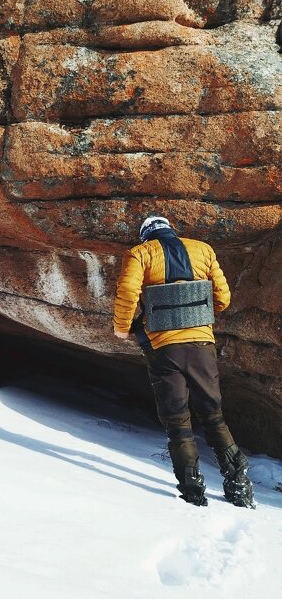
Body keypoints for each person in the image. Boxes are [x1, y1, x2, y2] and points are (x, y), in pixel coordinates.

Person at [112, 215, 255, 508]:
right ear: (170, 229)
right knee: (213, 415)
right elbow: (223, 298)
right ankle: (238, 483)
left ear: (145, 236)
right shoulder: (203, 249)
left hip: (165, 349)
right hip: (202, 344)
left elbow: (128, 291)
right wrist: (196, 314)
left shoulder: (139, 254)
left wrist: (122, 327)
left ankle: (192, 493)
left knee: (177, 420)